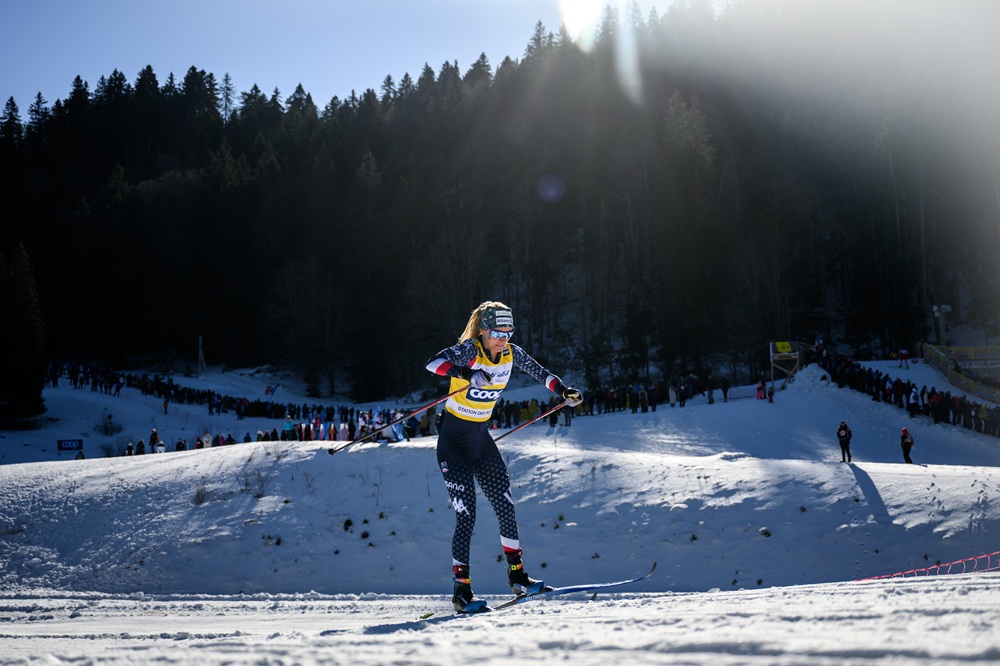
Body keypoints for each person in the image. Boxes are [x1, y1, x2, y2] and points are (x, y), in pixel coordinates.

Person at [425, 301, 583, 613]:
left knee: (505, 505)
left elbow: (541, 373)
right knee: (466, 516)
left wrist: (563, 391)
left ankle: (518, 575)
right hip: (453, 445)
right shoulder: (470, 351)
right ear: (483, 329)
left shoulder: (512, 353)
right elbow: (432, 363)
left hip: (481, 442)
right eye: (497, 332)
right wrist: (464, 373)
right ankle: (461, 591)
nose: (502, 339)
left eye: (508, 332)